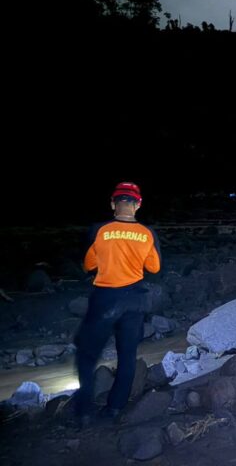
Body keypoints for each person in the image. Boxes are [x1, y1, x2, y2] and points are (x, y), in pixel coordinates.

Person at [74, 182, 161, 426]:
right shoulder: (147, 233)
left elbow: (88, 265)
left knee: (87, 354)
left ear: (113, 204)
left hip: (105, 299)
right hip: (134, 300)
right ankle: (114, 409)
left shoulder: (99, 230)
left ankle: (84, 411)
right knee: (127, 355)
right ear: (138, 205)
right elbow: (154, 267)